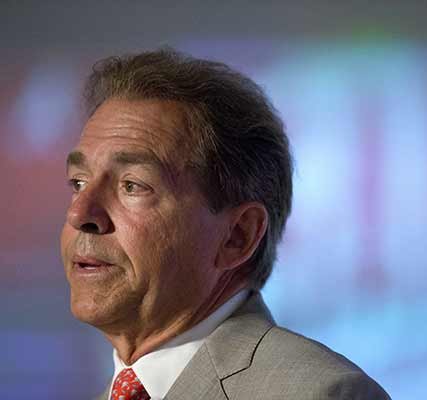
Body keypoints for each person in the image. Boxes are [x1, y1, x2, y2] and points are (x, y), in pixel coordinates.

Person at [60, 48, 390, 400]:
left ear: (237, 235)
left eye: (132, 185)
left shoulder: (319, 393)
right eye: (78, 182)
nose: (80, 214)